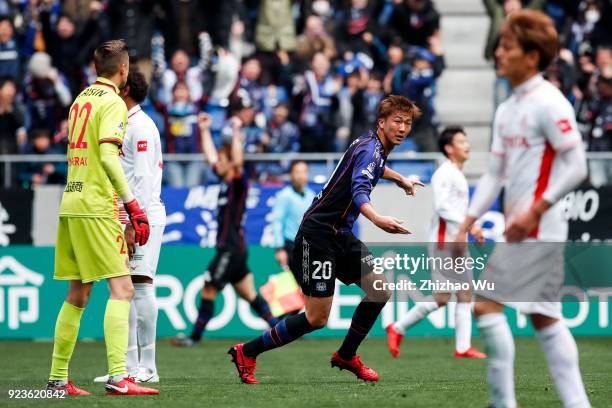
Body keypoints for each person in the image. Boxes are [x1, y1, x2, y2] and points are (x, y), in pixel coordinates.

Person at [228, 95, 424, 385]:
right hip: (318, 236)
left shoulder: (371, 146)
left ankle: (346, 355)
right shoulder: (371, 149)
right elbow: (360, 191)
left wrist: (399, 179)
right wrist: (378, 219)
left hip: (340, 234)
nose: (403, 128)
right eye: (397, 121)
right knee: (316, 318)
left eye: (407, 123)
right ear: (381, 122)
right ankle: (248, 351)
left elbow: (374, 169)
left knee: (380, 289)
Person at [455, 11, 590, 408]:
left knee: (485, 305)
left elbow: (576, 164)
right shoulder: (507, 108)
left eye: (507, 46)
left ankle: (504, 404)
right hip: (527, 228)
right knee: (544, 318)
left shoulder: (550, 102)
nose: (498, 53)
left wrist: (535, 210)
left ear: (532, 56)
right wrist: (467, 219)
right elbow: (495, 173)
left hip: (537, 228)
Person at [45, 40, 158, 396]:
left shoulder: (80, 100)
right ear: (123, 71)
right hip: (98, 206)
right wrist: (133, 207)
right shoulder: (112, 103)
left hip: (71, 202)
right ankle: (118, 376)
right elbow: (109, 158)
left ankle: (58, 379)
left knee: (77, 294)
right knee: (123, 289)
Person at [171, 112, 279, 347]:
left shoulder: (238, 184)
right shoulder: (224, 182)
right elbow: (210, 156)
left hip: (230, 249)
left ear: (230, 162)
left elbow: (238, 162)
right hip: (236, 249)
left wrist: (237, 134)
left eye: (221, 159)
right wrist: (204, 130)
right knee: (249, 293)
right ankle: (281, 330)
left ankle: (194, 338)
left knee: (209, 289)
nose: (216, 162)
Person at [386, 126, 486, 359]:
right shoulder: (444, 173)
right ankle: (398, 327)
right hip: (443, 244)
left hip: (457, 243)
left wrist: (471, 228)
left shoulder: (458, 175)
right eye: (461, 141)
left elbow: (456, 210)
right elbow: (441, 206)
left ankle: (463, 347)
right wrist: (470, 226)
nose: (467, 145)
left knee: (463, 293)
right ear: (449, 149)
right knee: (442, 298)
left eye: (466, 140)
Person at [93, 70, 166, 384]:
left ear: (125, 92)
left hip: (142, 215)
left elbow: (144, 179)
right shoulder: (125, 123)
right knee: (125, 288)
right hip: (123, 215)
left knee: (140, 283)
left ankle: (148, 365)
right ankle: (126, 367)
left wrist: (137, 221)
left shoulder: (141, 126)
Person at [271, 160, 316, 281]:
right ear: (291, 175)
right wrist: (279, 249)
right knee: (298, 286)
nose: (301, 175)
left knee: (310, 288)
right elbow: (277, 222)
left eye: (304, 172)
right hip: (291, 247)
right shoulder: (284, 196)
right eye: (297, 172)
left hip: (309, 246)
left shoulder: (312, 196)